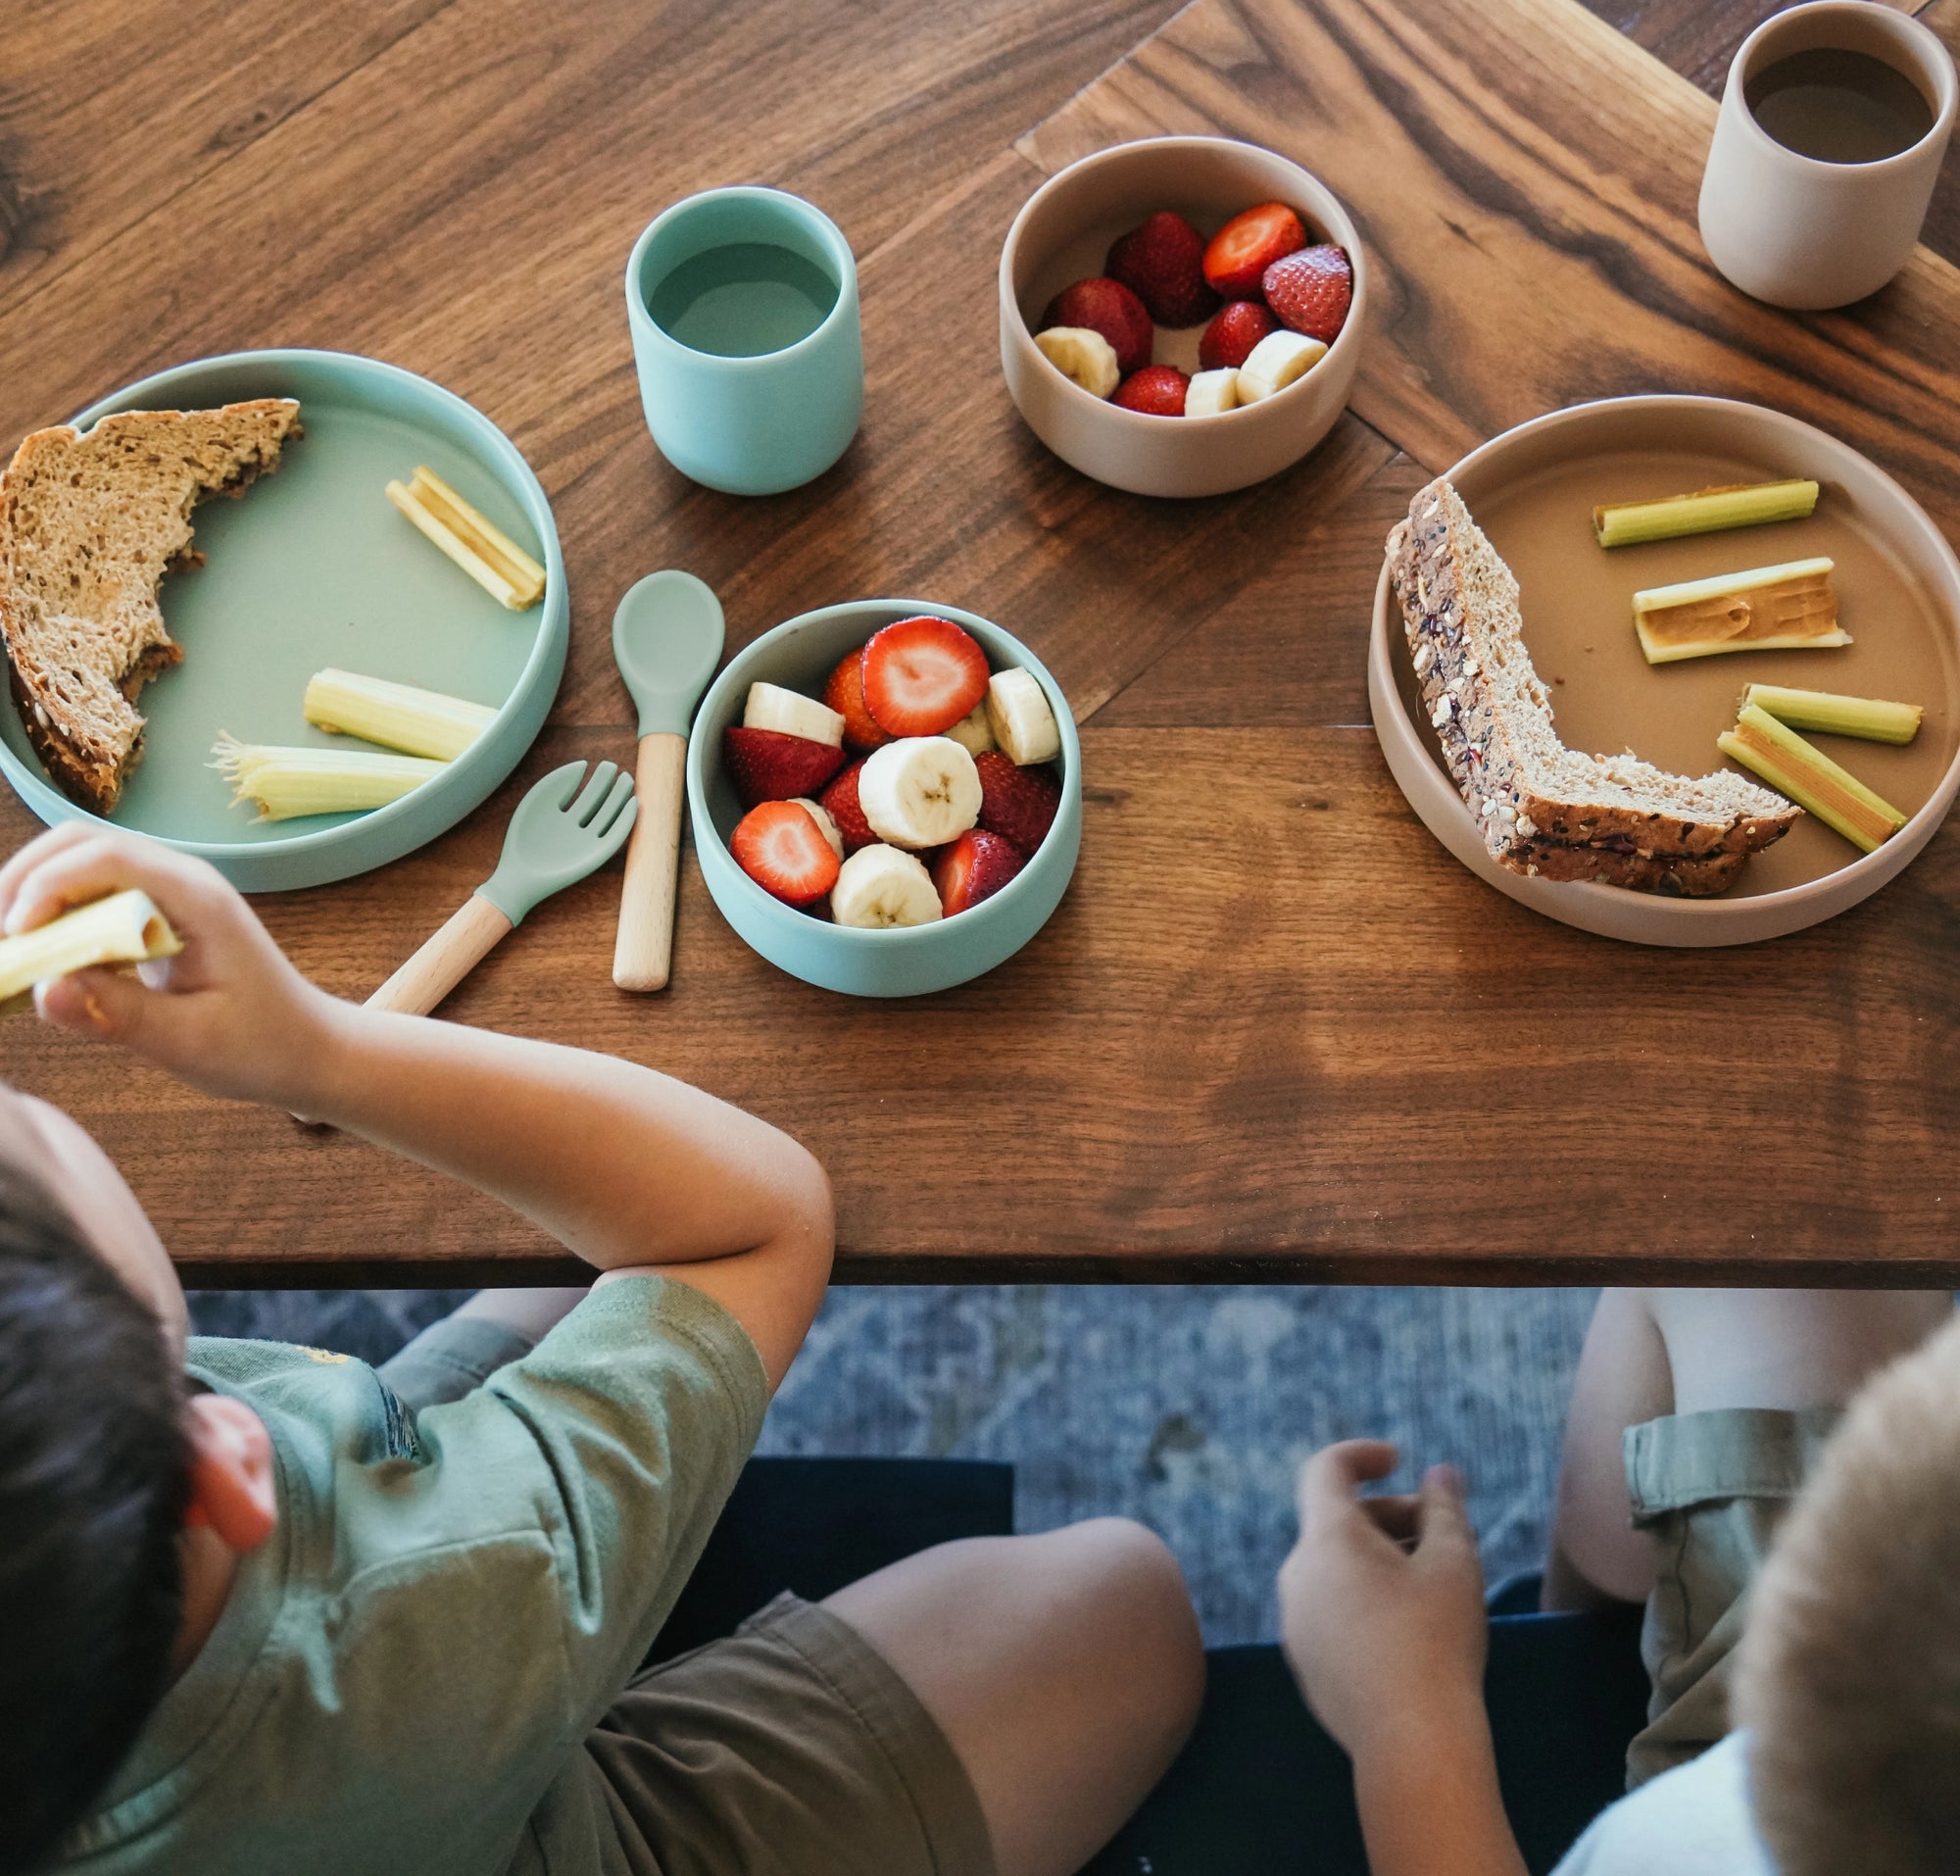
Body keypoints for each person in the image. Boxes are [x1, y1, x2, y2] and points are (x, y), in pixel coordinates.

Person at [0, 825, 1202, 1876]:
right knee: (1124, 1606)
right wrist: (315, 1045)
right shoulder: (444, 1578)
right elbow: (754, 1222)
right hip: (457, 1700)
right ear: (222, 1451)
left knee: (577, 1263)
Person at [1277, 1287, 1956, 1875]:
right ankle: (1577, 1626)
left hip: (1778, 1804)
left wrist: (1404, 1715)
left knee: (1735, 1240)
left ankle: (1573, 1641)